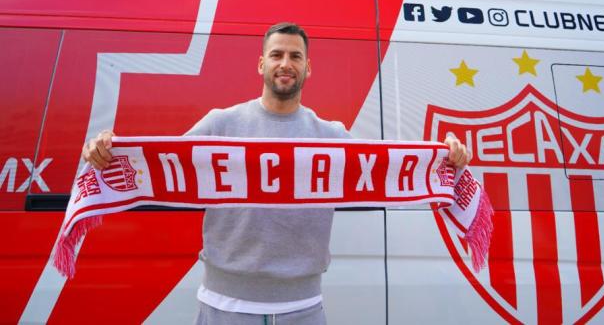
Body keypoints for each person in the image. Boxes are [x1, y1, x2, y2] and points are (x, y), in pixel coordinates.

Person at [82, 22, 471, 325]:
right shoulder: (220, 124)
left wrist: (445, 159)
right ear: (262, 64)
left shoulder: (332, 136)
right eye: (277, 54)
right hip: (224, 307)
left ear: (307, 68)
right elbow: (159, 167)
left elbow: (386, 173)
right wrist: (104, 153)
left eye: (296, 56)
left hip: (303, 308)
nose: (286, 63)